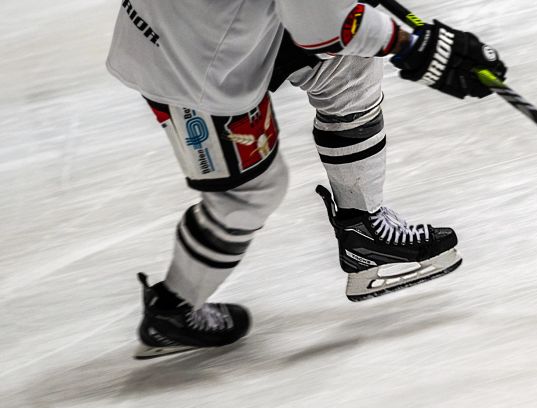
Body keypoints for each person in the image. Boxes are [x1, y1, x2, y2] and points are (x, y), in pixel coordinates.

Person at [106, 0, 507, 359]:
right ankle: (172, 311)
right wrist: (419, 48)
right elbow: (326, 27)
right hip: (187, 64)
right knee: (250, 196)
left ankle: (365, 233)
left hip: (206, 25)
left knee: (347, 65)